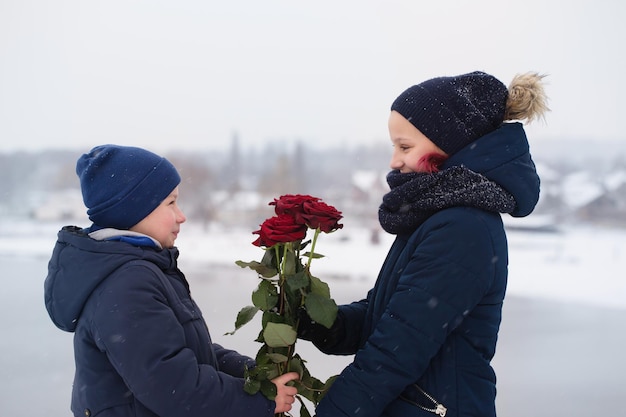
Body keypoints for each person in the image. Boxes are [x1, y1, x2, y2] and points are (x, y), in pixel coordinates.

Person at [298, 71, 549, 417]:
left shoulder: (462, 227)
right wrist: (319, 321)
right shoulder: (437, 213)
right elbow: (387, 316)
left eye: (405, 146)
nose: (394, 160)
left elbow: (395, 352)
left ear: (449, 146)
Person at [44, 145, 298, 417]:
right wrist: (260, 401)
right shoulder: (127, 283)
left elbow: (183, 351)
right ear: (134, 210)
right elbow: (173, 388)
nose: (182, 215)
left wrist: (251, 373)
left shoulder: (139, 269)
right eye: (171, 203)